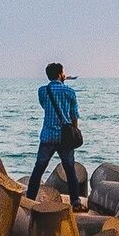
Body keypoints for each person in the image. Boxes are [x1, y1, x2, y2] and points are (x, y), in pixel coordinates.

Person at [24, 62, 85, 201]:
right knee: (70, 171)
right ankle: (75, 201)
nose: (65, 75)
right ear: (59, 74)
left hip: (48, 136)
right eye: (63, 72)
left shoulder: (42, 91)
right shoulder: (70, 92)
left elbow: (44, 106)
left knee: (38, 169)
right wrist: (75, 130)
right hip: (65, 137)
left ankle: (30, 199)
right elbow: (74, 115)